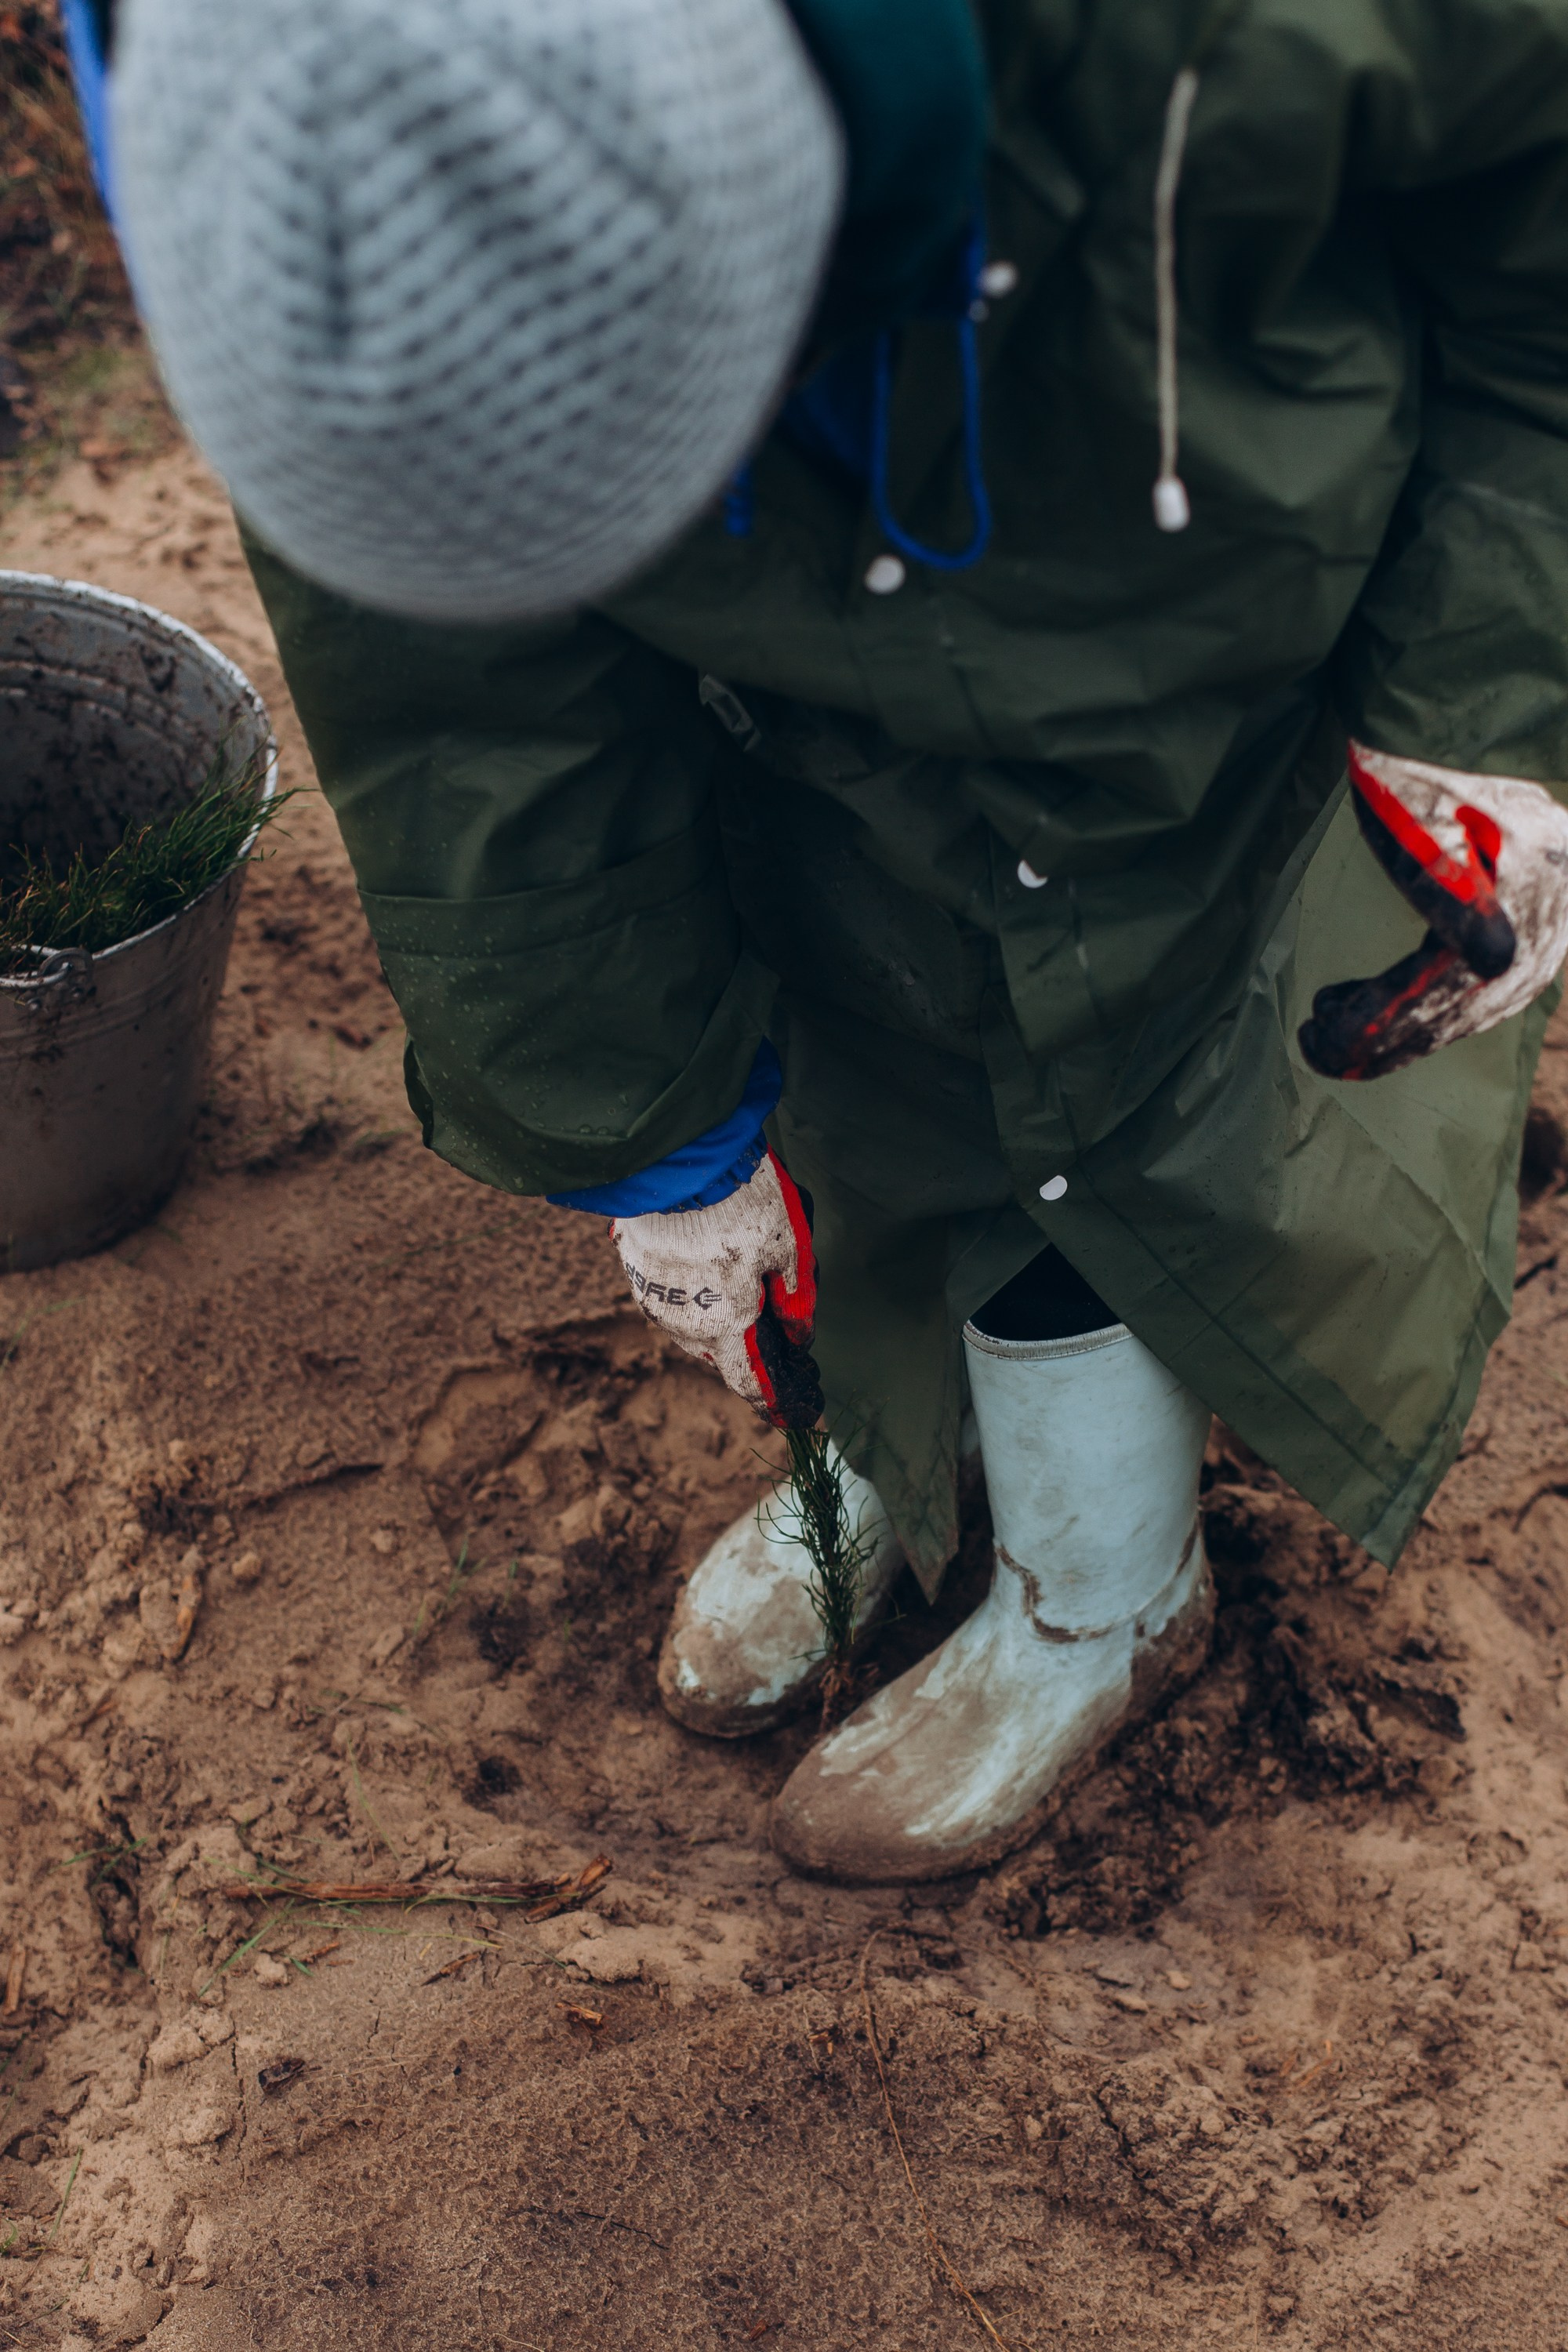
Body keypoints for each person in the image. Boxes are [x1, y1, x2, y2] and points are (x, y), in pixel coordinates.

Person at [80, 0, 1568, 1882]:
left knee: (1099, 1097)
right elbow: (464, 724)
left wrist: (1492, 704)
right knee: (855, 1031)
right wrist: (654, 1135)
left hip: (1212, 625)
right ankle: (899, 1437)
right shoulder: (302, 179)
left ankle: (1102, 1591)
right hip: (773, 694)